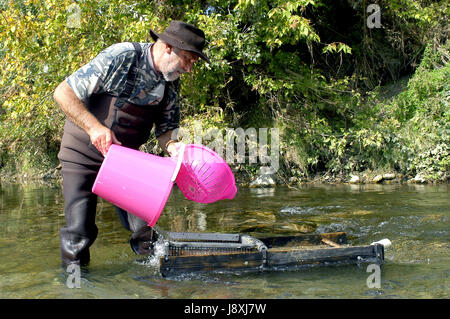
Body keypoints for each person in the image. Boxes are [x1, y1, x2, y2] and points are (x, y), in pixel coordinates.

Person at [53, 21, 209, 267]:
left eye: (193, 63)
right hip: (81, 154)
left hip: (124, 160)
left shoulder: (171, 79)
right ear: (168, 48)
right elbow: (63, 93)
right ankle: (76, 289)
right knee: (79, 234)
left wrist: (173, 147)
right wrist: (95, 128)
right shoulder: (123, 56)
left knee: (145, 230)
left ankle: (151, 286)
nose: (189, 68)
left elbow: (167, 130)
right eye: (188, 59)